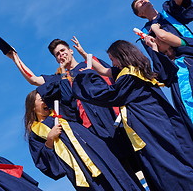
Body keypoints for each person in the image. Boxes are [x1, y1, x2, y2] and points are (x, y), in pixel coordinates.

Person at [67, 40, 193, 191]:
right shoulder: (135, 70)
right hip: (153, 123)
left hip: (150, 125)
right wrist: (85, 56)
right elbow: (103, 70)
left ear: (121, 57)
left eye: (112, 60)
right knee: (162, 164)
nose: (112, 64)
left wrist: (85, 76)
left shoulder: (129, 77)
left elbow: (109, 95)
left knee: (166, 165)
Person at [25, 90, 145, 191]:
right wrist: (50, 140)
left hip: (99, 153)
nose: (45, 101)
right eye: (41, 99)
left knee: (121, 179)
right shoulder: (35, 134)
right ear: (32, 107)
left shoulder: (61, 112)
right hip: (79, 167)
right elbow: (43, 162)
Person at [131, 0, 193, 121]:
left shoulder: (168, 11)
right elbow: (158, 56)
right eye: (139, 4)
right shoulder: (145, 32)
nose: (143, 1)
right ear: (140, 14)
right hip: (181, 67)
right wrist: (154, 43)